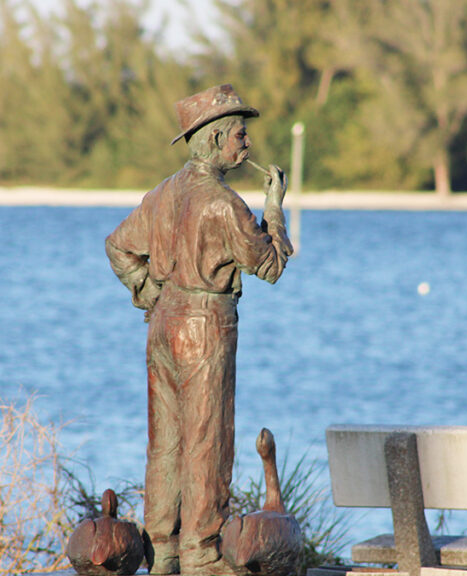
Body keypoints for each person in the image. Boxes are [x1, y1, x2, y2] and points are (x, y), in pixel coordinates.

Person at [105, 84, 293, 575]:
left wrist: (149, 292)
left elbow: (118, 248)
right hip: (205, 326)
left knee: (165, 442)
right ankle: (202, 554)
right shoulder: (224, 204)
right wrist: (274, 206)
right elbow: (270, 266)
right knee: (207, 441)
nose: (247, 144)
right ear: (211, 141)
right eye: (239, 134)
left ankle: (162, 551)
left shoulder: (162, 194)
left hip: (162, 328)